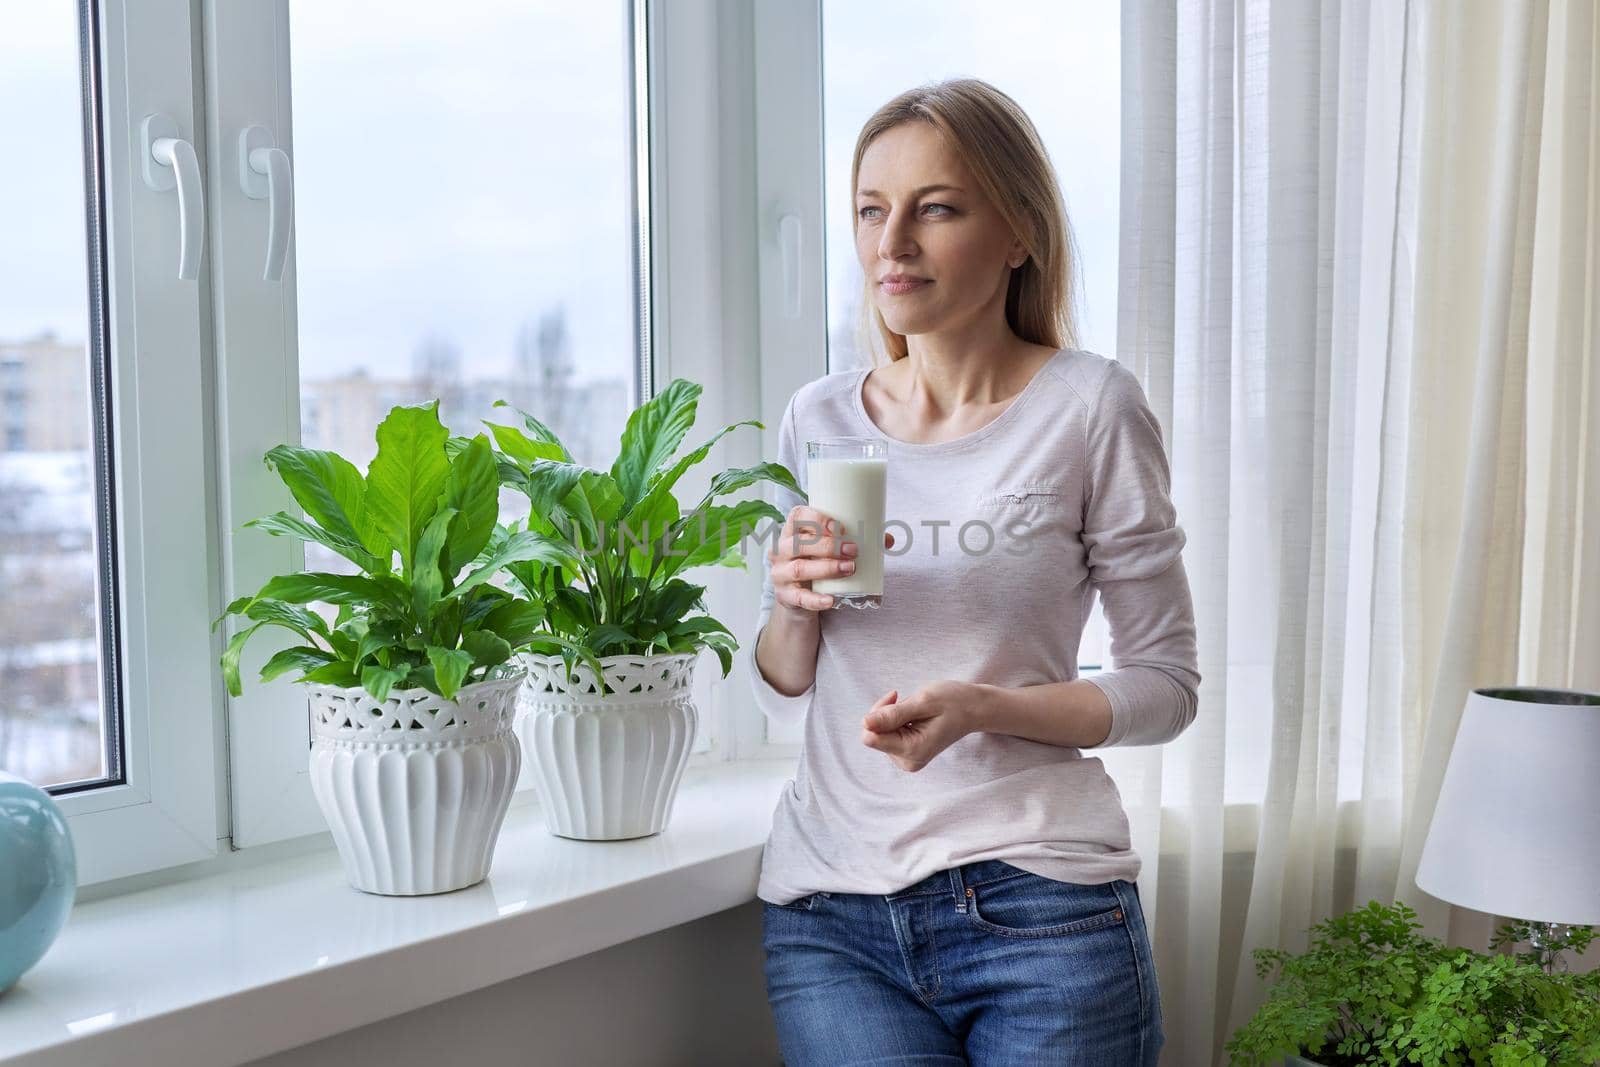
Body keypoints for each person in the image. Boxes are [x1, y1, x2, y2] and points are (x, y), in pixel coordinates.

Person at [745, 78, 1200, 1066]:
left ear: (1018, 232)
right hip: (831, 913)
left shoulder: (1089, 407)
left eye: (935, 207)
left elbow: (1165, 689)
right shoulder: (819, 416)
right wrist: (791, 604)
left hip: (1041, 903)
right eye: (871, 209)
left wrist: (983, 705)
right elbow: (788, 672)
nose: (890, 242)